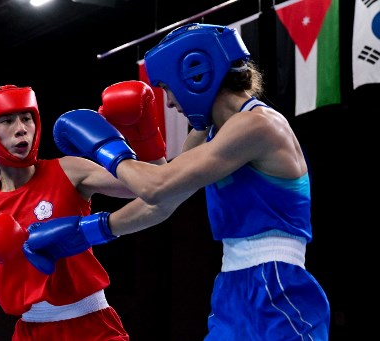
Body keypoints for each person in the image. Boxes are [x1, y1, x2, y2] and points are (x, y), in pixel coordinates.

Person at [23, 23, 331, 340]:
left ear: (194, 72)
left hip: (277, 284)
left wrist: (104, 148)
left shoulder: (258, 125)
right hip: (232, 287)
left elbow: (157, 185)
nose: (169, 103)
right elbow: (161, 202)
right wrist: (85, 232)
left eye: (167, 88)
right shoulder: (207, 133)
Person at [0, 82, 166, 340]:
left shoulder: (68, 170)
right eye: (7, 121)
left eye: (26, 118)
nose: (21, 129)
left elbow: (153, 186)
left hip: (91, 325)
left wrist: (145, 136)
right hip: (30, 331)